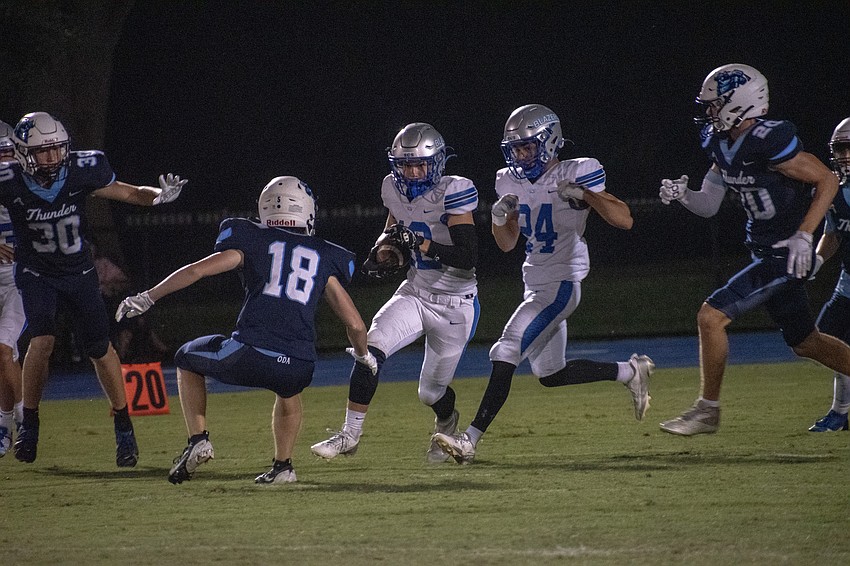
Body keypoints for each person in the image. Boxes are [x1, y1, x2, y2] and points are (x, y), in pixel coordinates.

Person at [116, 176, 374, 484]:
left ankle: (198, 440)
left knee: (187, 357)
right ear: (307, 210)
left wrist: (148, 297)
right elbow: (356, 324)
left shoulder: (251, 237)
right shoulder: (324, 255)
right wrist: (363, 356)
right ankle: (283, 467)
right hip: (300, 365)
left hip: (251, 354)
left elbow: (197, 270)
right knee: (288, 391)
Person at [433, 104, 653, 465]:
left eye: (528, 147)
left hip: (563, 282)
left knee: (506, 349)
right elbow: (506, 243)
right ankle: (630, 371)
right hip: (535, 282)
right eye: (516, 148)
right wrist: (500, 218)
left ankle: (469, 440)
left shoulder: (579, 170)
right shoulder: (509, 180)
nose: (521, 155)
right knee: (550, 374)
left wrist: (586, 195)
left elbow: (624, 220)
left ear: (549, 142)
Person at [657, 64, 850, 435]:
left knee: (710, 316)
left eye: (716, 104)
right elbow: (709, 204)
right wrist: (684, 196)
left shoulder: (769, 138)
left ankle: (707, 410)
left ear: (739, 102)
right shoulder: (721, 143)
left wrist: (804, 235)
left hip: (785, 254)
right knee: (807, 342)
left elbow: (826, 180)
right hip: (763, 252)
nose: (710, 111)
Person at [0, 111, 187, 466]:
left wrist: (158, 196)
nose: (53, 158)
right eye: (43, 151)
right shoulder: (9, 178)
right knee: (41, 341)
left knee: (100, 348)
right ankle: (31, 423)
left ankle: (123, 425)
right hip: (37, 271)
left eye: (57, 149)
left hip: (78, 270)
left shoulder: (84, 169)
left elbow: (128, 193)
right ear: (23, 153)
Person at [310, 122, 480, 463]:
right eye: (406, 165)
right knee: (368, 350)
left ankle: (447, 421)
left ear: (438, 163)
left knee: (430, 392)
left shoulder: (455, 190)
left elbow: (467, 257)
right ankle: (350, 435)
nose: (414, 172)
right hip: (416, 292)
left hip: (455, 304)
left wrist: (421, 243)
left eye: (420, 165)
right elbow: (393, 225)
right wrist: (384, 249)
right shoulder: (393, 187)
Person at [807, 117, 850, 432]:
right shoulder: (832, 189)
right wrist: (817, 263)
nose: (844, 156)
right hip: (847, 285)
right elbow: (833, 235)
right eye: (840, 149)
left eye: (849, 148)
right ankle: (840, 412)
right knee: (826, 341)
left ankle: (839, 413)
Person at [0, 120, 25, 457]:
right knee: (2, 356)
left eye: (7, 152)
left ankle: (24, 420)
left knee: (3, 349)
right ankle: (5, 425)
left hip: (20, 278)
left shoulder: (29, 185)